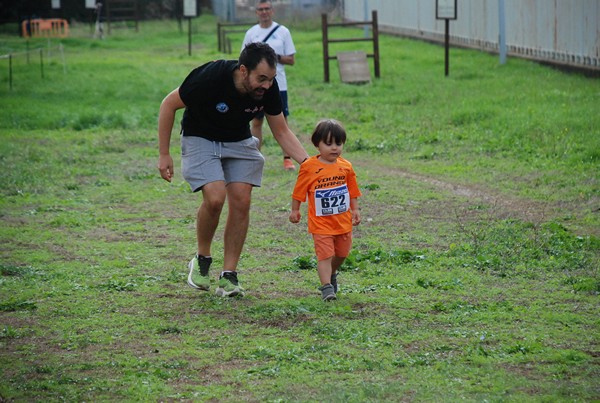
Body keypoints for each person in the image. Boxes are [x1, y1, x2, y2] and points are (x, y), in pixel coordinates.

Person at [158, 42, 310, 297]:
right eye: (261, 78)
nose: (266, 85)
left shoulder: (266, 90)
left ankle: (229, 275)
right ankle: (202, 258)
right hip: (200, 137)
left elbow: (281, 131)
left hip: (238, 140)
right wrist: (164, 153)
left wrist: (309, 165)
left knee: (241, 199)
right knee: (216, 198)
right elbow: (168, 104)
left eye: (271, 79)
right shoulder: (211, 76)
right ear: (243, 71)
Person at [289, 119, 362, 301]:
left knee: (342, 254)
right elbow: (299, 191)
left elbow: (352, 190)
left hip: (342, 222)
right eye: (328, 144)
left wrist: (355, 210)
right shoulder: (309, 167)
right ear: (317, 144)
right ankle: (326, 288)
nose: (334, 148)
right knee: (325, 255)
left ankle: (331, 274)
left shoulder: (346, 167)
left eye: (338, 143)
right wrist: (295, 210)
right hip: (320, 223)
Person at [242, 0, 297, 171]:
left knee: (282, 123)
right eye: (261, 9)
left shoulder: (283, 32)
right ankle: (254, 158)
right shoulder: (251, 33)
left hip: (278, 85)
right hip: (256, 87)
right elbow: (243, 60)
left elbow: (291, 59)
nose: (264, 12)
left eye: (267, 9)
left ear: (272, 11)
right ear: (256, 12)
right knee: (256, 122)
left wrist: (271, 58)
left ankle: (287, 158)